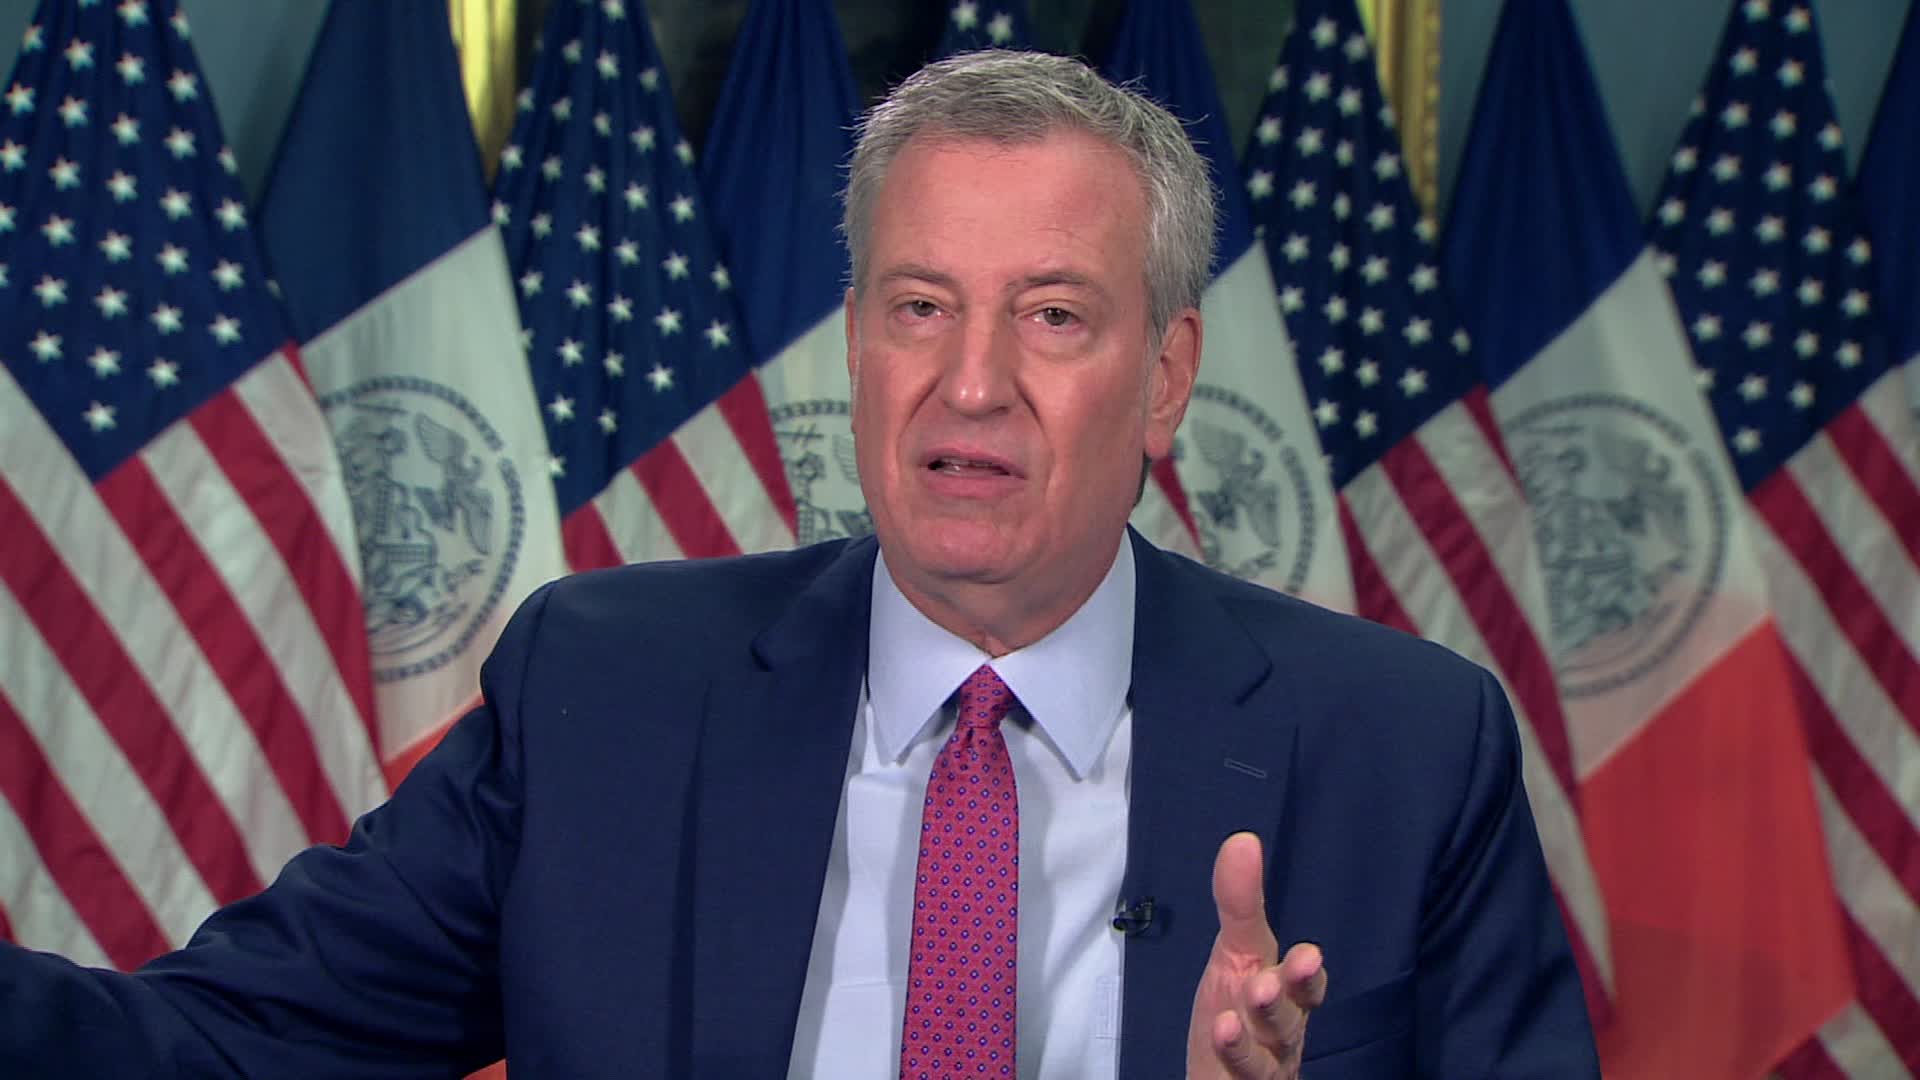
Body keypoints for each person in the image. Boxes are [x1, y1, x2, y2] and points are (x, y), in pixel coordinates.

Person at [0, 51, 1597, 1079]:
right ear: (854, 342)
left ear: (1168, 373)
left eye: (1051, 316)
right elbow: (222, 1043)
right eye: (919, 306)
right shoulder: (604, 693)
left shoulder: (1405, 749)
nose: (971, 382)